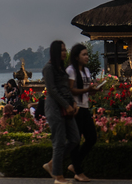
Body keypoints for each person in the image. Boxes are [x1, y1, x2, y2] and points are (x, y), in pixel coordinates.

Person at [42, 40, 80, 184]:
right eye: (62, 50)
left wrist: (73, 102)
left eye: (65, 50)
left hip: (67, 107)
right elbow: (52, 90)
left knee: (75, 138)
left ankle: (52, 164)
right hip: (55, 108)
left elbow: (65, 88)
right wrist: (66, 105)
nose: (65, 52)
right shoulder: (49, 68)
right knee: (59, 142)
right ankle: (58, 176)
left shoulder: (61, 68)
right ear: (56, 52)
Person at [66, 43, 99, 183]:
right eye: (84, 54)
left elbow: (86, 89)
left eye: (87, 54)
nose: (87, 57)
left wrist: (93, 90)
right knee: (76, 140)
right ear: (76, 56)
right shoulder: (71, 70)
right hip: (75, 108)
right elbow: (70, 90)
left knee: (92, 138)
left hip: (84, 107)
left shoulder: (86, 71)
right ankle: (78, 172)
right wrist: (87, 90)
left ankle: (75, 165)